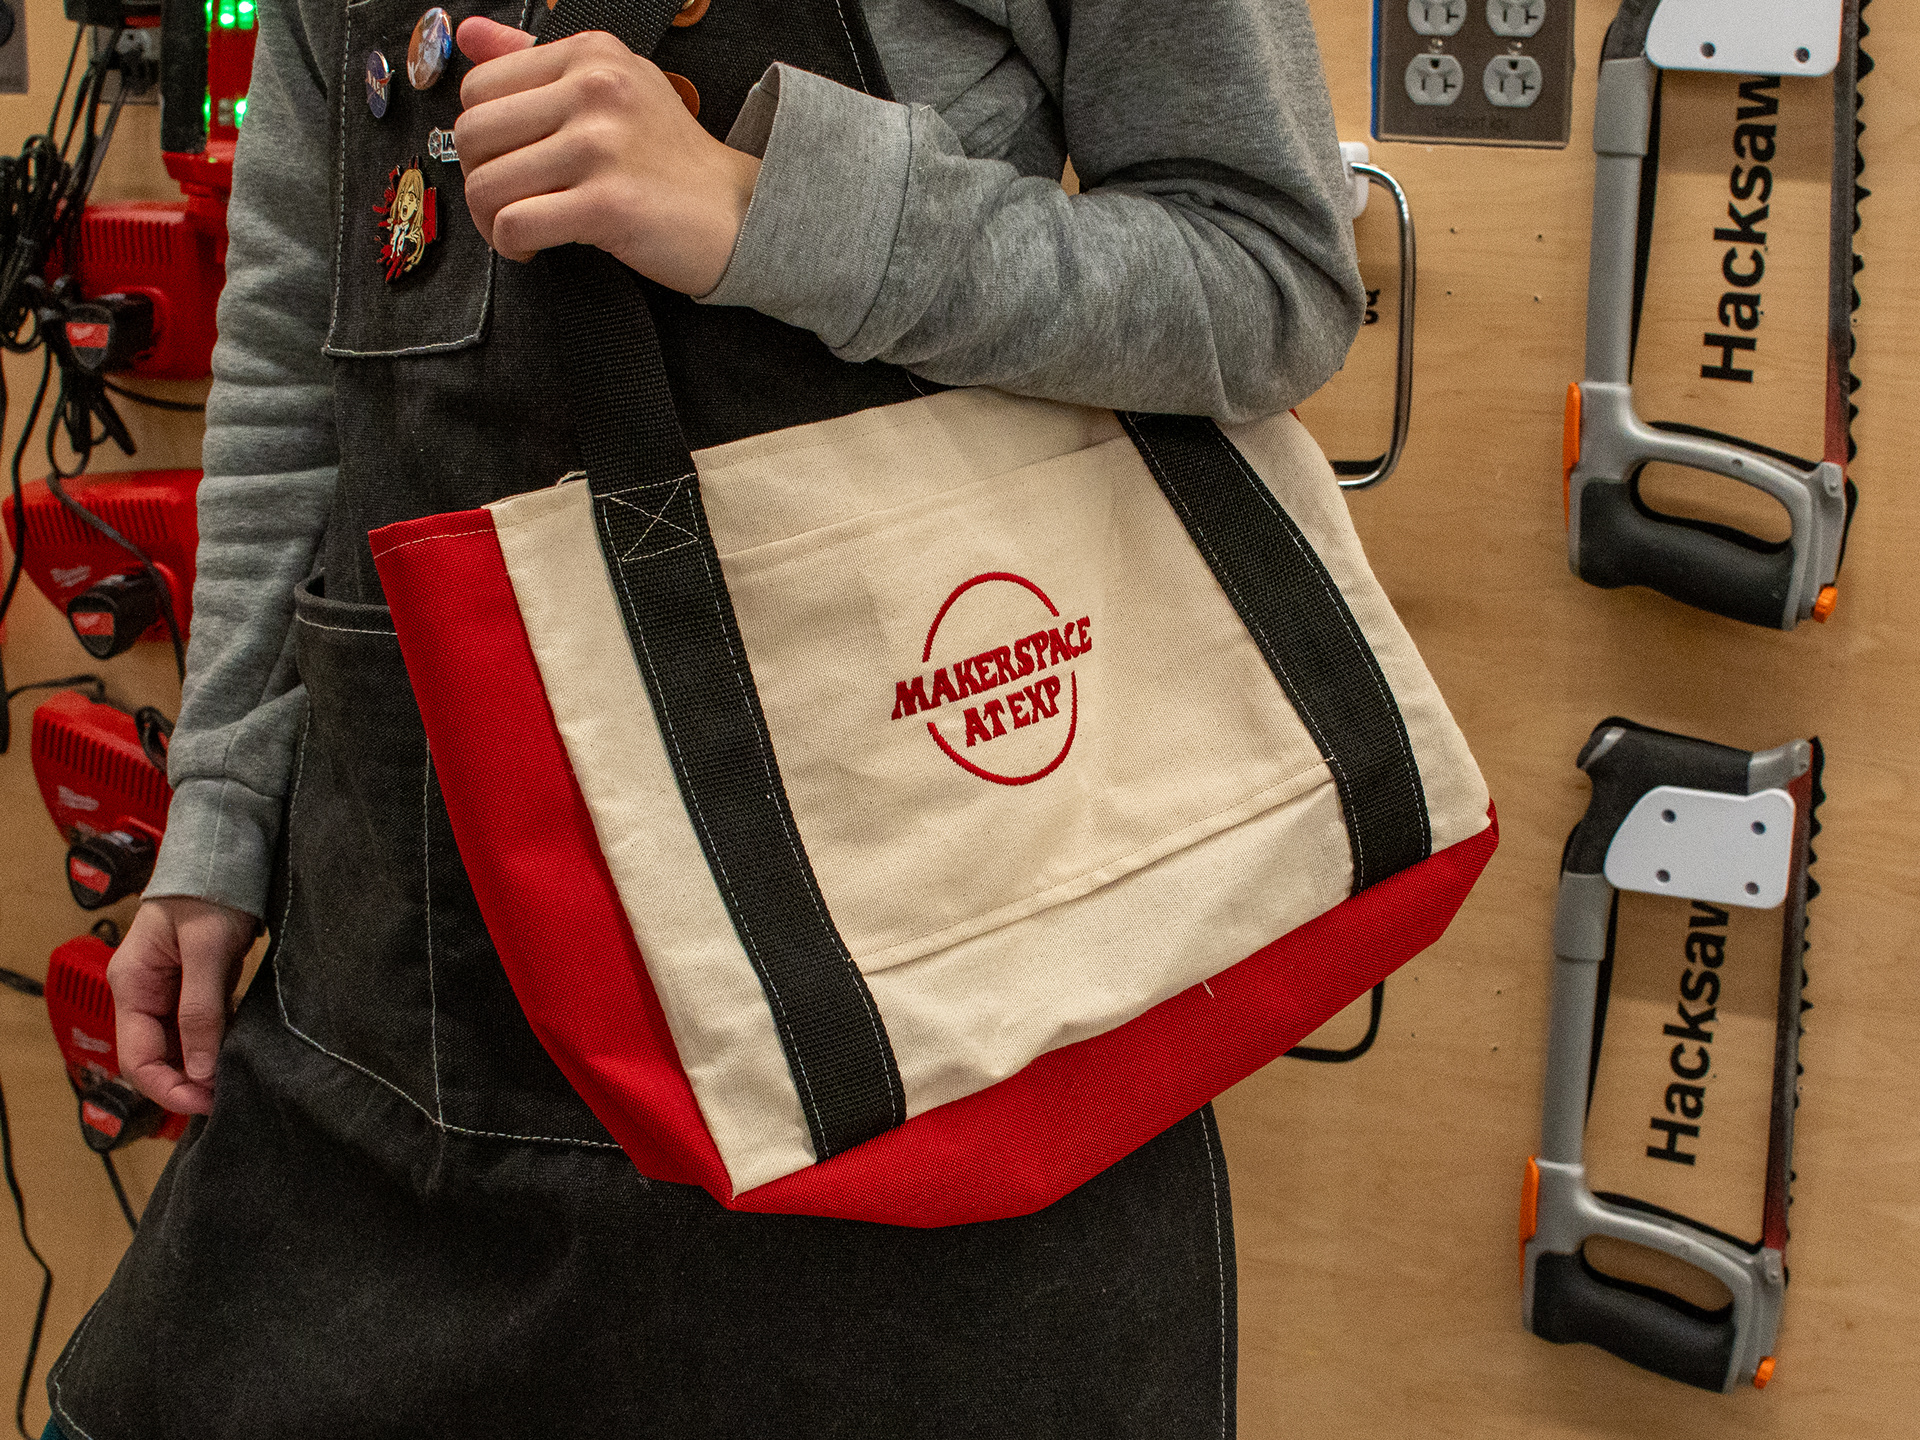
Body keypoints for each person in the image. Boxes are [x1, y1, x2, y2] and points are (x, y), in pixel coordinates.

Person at [50, 0, 1363, 1434]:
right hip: (398, 1011)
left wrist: (771, 209)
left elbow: (1271, 277)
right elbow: (293, 357)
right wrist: (226, 801)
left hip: (919, 1040)